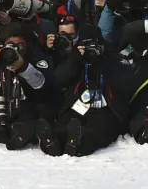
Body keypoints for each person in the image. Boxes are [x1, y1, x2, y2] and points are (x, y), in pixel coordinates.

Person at [38, 26, 132, 157]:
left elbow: (126, 83)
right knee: (65, 123)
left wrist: (103, 62)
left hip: (105, 107)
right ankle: (51, 142)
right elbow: (59, 79)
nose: (91, 49)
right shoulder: (76, 58)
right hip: (78, 104)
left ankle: (79, 143)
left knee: (98, 129)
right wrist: (76, 58)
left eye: (94, 45)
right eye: (87, 45)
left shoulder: (113, 57)